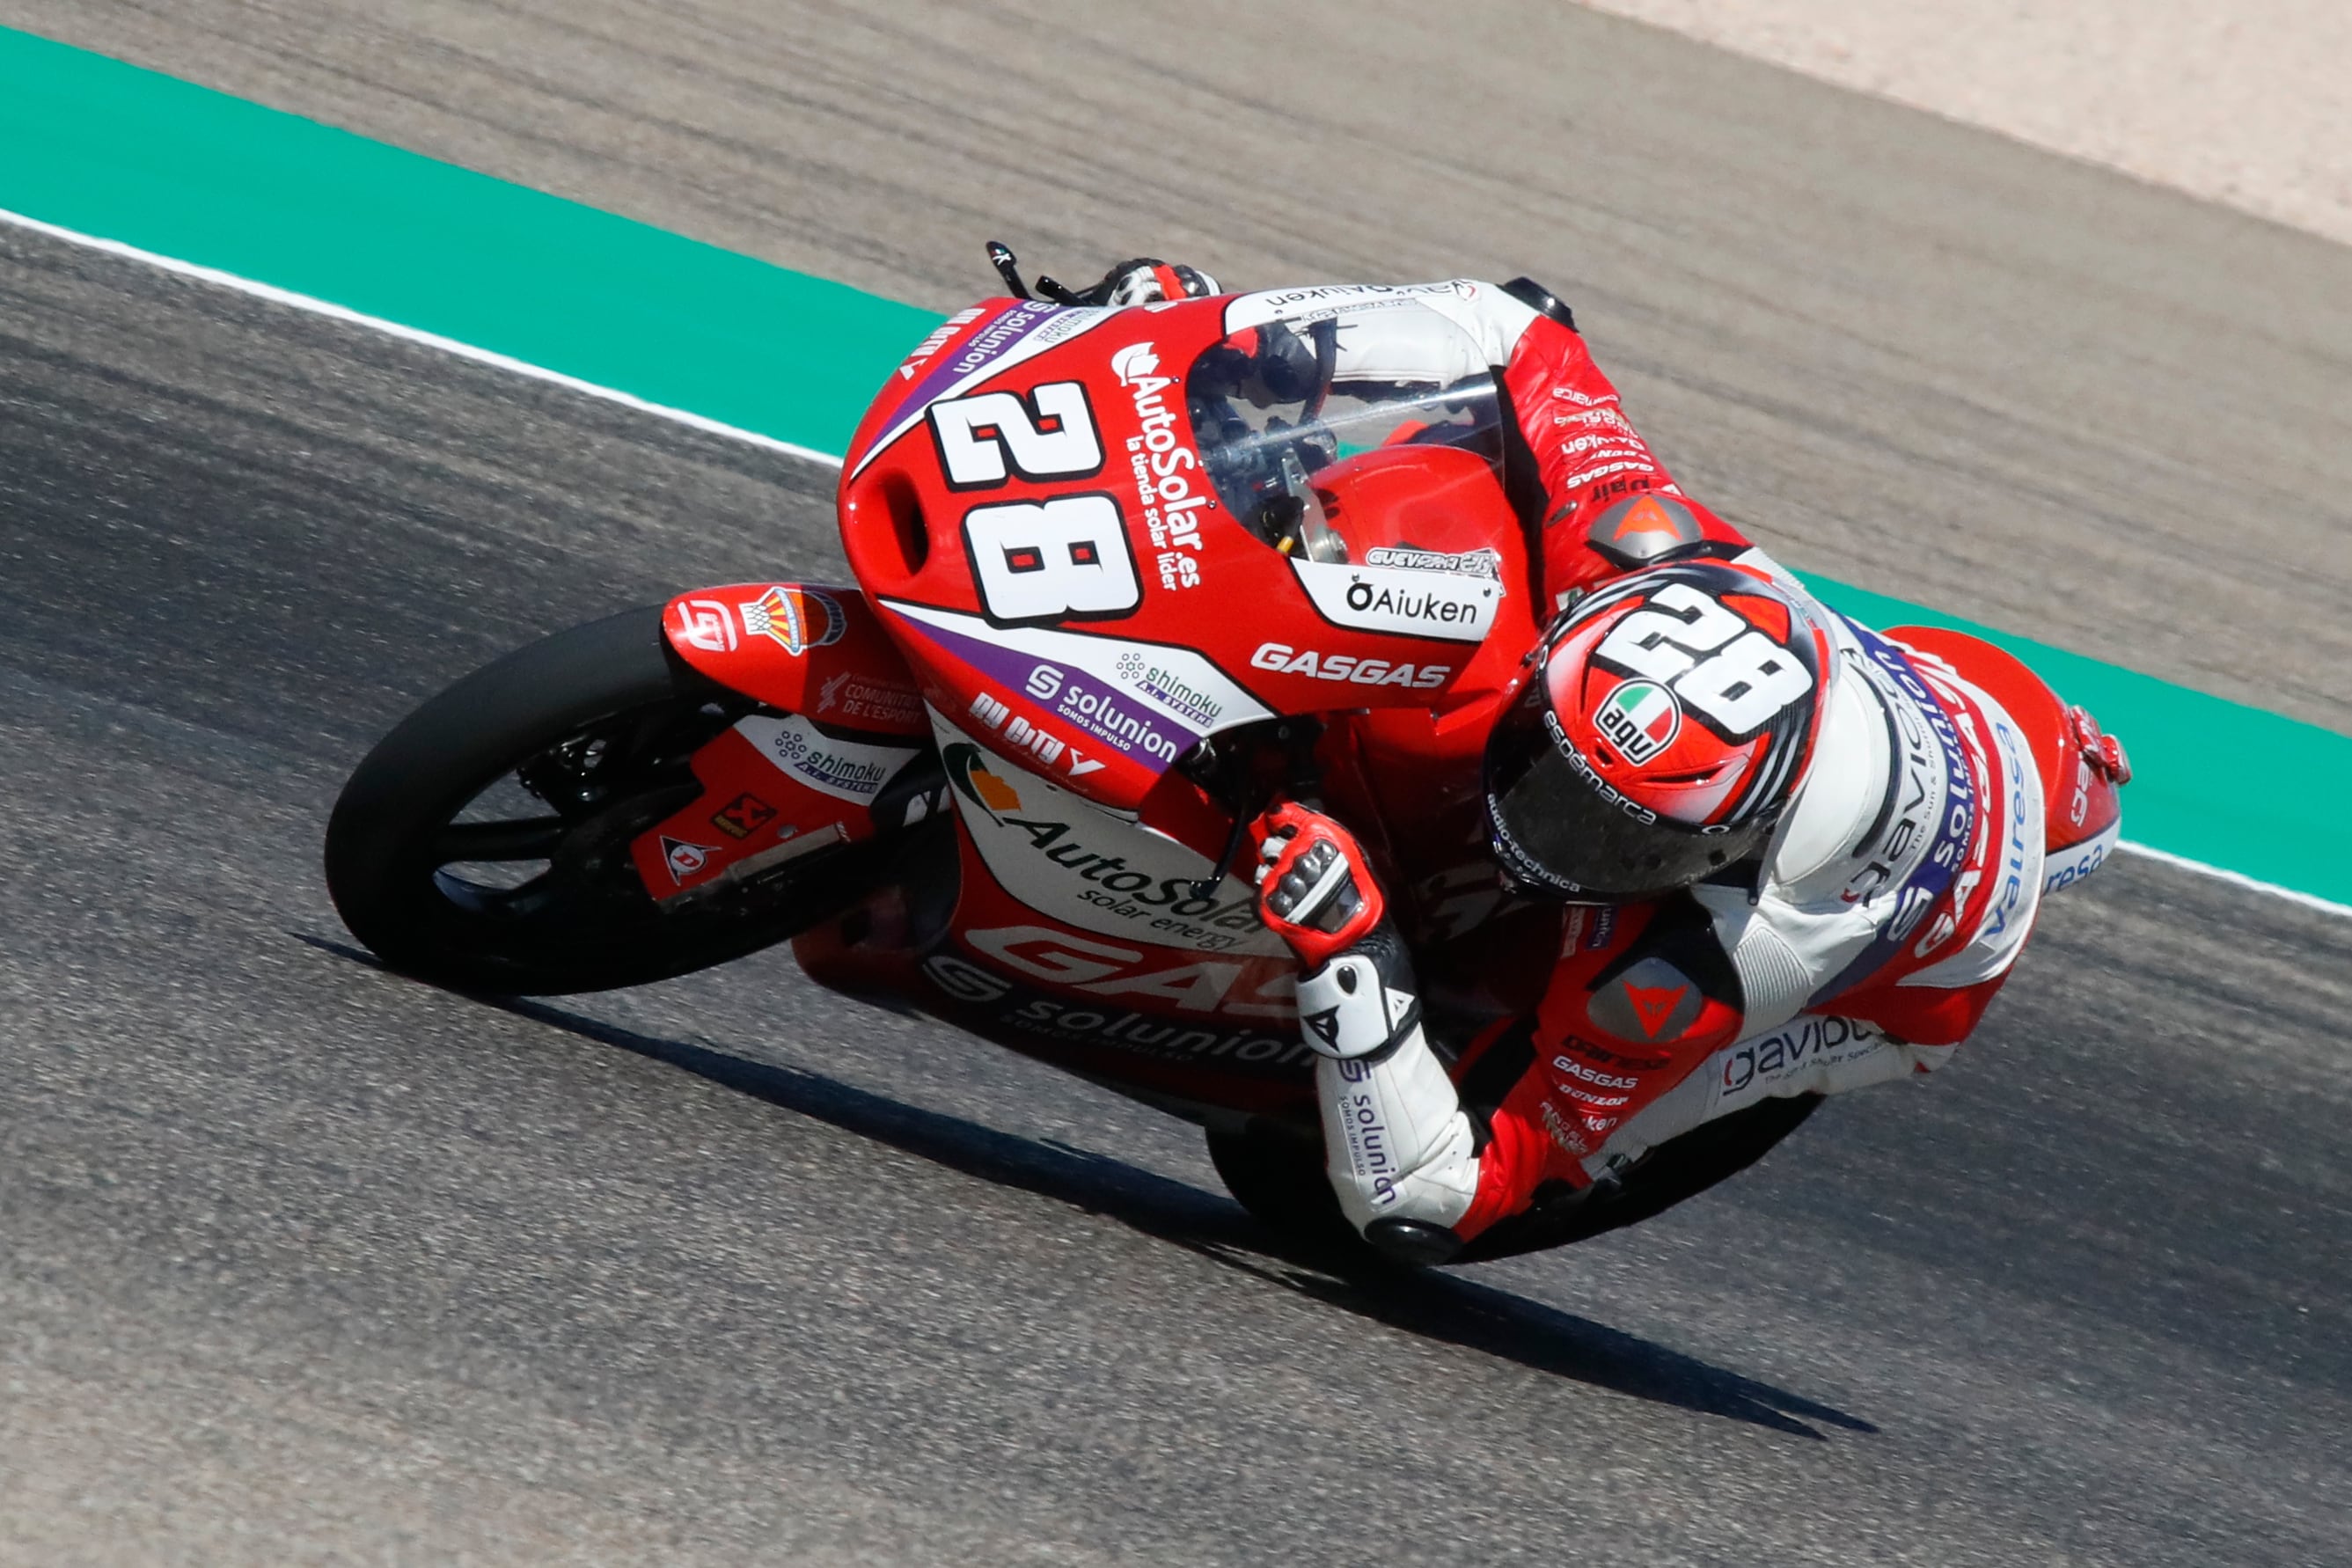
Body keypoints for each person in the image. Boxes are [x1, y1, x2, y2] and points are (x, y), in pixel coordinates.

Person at [1081, 257, 2133, 1264]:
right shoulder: (1638, 540)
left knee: (1537, 1126)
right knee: (1459, 460)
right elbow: (1513, 323)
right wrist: (1251, 346)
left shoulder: (1701, 967)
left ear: (1713, 850)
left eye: (1608, 840)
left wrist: (1356, 958)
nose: (1530, 830)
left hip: (1911, 965)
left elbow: (1430, 1199)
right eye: (1546, 771)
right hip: (1906, 687)